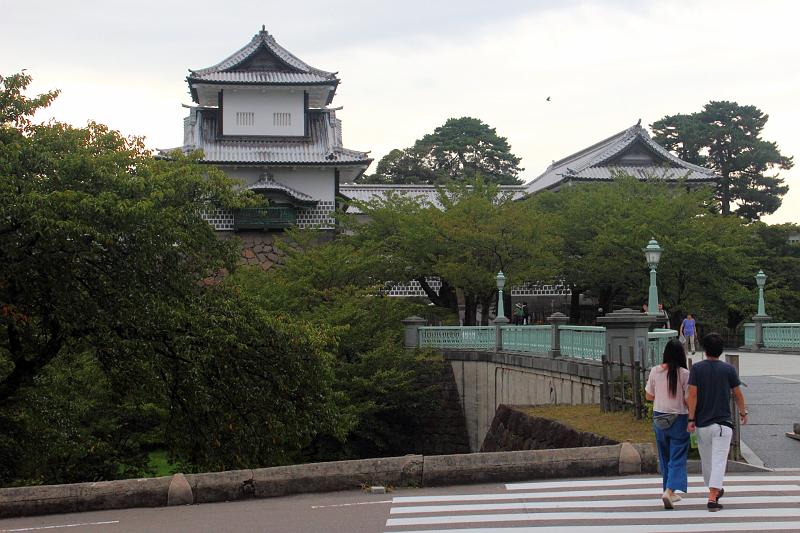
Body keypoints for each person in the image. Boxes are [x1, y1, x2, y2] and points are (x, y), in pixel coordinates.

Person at [687, 332, 748, 512]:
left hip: (702, 424)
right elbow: (738, 394)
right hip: (722, 424)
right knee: (719, 460)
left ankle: (714, 490)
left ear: (705, 350)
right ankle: (713, 497)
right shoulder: (728, 370)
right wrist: (743, 412)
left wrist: (691, 418)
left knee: (707, 461)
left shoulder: (697, 369)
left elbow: (692, 394)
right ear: (721, 351)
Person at [645, 339, 690, 509]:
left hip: (659, 417)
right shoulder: (685, 374)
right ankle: (669, 490)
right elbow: (688, 399)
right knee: (677, 456)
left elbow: (649, 396)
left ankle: (667, 490)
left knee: (664, 456)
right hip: (679, 418)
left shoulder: (655, 371)